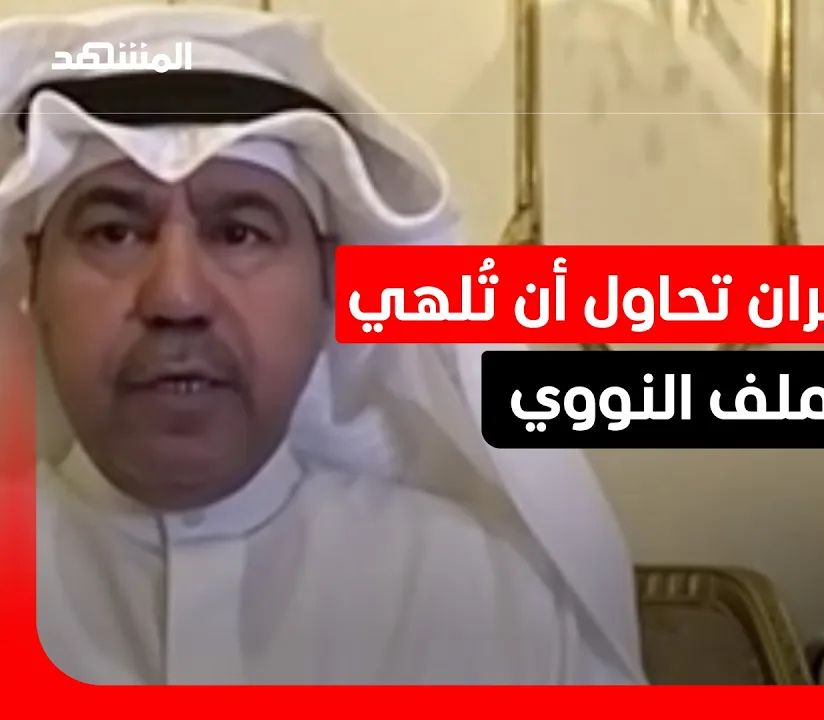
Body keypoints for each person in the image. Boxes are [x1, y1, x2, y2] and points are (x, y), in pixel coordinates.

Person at [0, 5, 644, 685]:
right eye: (114, 233)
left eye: (240, 233)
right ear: (33, 281)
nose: (177, 298)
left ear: (327, 286)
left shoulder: (497, 604)